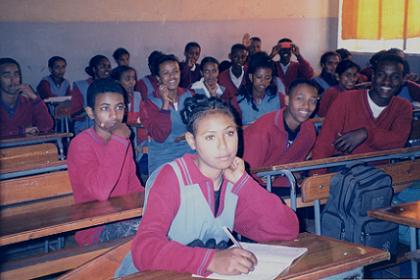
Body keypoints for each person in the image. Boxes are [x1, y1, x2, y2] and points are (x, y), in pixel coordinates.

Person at [116, 94, 299, 277]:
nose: (223, 146)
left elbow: (287, 230)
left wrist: (245, 184)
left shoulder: (232, 182)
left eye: (229, 133)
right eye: (210, 137)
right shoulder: (172, 177)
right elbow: (144, 249)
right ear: (192, 141)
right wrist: (210, 260)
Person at [67, 78, 144, 246]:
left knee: (175, 220)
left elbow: (133, 186)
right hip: (96, 226)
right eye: (104, 108)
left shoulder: (122, 141)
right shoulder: (81, 144)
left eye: (119, 107)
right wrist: (118, 140)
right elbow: (101, 192)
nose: (114, 115)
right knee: (148, 234)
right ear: (90, 112)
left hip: (125, 216)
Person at [312, 54, 412, 160]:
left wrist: (366, 133)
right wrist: (316, 174)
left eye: (395, 77)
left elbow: (399, 141)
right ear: (373, 76)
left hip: (381, 171)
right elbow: (324, 143)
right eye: (381, 75)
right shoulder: (346, 99)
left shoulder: (403, 107)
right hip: (342, 168)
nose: (387, 81)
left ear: (403, 80)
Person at [242, 79, 319, 188]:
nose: (306, 106)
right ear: (287, 100)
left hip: (284, 185)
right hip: (254, 187)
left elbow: (296, 168)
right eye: (299, 99)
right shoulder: (262, 130)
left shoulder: (309, 130)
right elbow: (246, 175)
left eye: (312, 101)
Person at [140, 54, 193, 173]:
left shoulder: (190, 95)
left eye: (175, 71)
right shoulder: (150, 103)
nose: (172, 76)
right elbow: (159, 136)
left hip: (190, 152)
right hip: (163, 156)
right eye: (166, 73)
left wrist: (185, 137)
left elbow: (200, 124)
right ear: (158, 78)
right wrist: (165, 105)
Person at [0, 57, 53, 137]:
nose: (13, 80)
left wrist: (35, 98)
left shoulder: (28, 102)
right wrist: (21, 131)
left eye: (16, 74)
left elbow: (46, 126)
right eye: (6, 76)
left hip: (27, 148)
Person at [232, 52, 285, 125]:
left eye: (267, 78)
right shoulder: (238, 101)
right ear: (251, 77)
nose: (263, 81)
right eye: (259, 77)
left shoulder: (279, 98)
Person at [71, 55, 111, 134]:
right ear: (94, 69)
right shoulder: (81, 86)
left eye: (109, 66)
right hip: (86, 129)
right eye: (102, 66)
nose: (107, 70)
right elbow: (75, 115)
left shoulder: (113, 86)